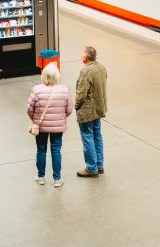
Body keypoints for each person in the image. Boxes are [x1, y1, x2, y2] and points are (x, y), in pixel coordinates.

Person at [27, 63, 73, 187]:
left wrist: (35, 119)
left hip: (40, 127)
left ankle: (41, 176)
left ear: (44, 75)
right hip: (58, 127)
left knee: (41, 150)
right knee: (56, 150)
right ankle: (57, 179)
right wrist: (59, 119)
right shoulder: (64, 90)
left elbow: (30, 109)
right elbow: (69, 110)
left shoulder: (37, 90)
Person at [75, 45, 108, 178]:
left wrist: (76, 105)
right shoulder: (102, 67)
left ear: (85, 57)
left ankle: (91, 168)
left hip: (87, 111)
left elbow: (81, 93)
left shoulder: (86, 71)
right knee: (97, 135)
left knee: (87, 137)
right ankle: (99, 165)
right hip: (98, 108)